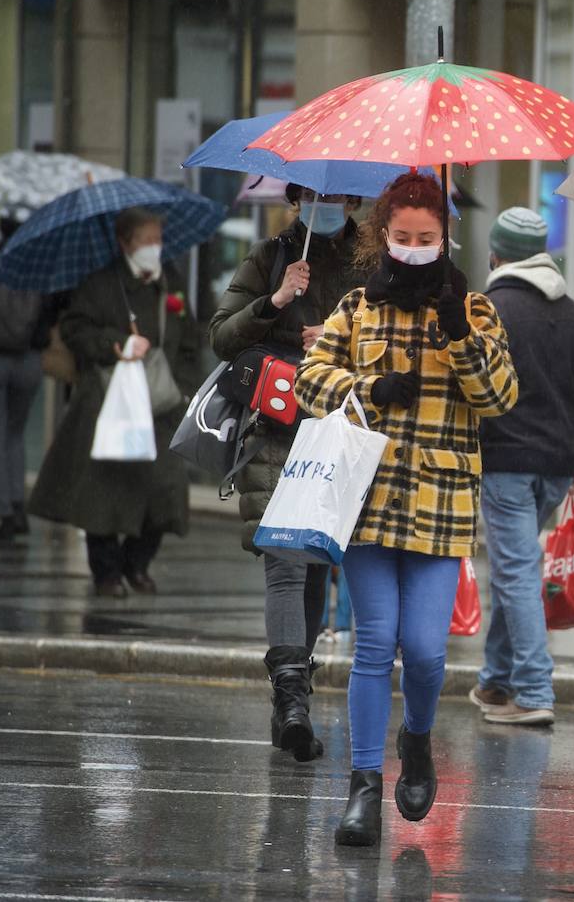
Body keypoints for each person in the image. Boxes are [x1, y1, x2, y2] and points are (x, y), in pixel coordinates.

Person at [292, 173, 518, 847]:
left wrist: (458, 336)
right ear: (382, 235)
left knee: (423, 653)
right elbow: (308, 381)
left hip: (441, 504)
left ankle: (415, 742)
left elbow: (501, 398)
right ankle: (364, 787)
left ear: (445, 237)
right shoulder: (358, 309)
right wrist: (370, 387)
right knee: (374, 646)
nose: (415, 248)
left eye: (428, 238)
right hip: (368, 500)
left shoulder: (473, 310)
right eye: (403, 237)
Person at [209, 185, 364, 762]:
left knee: (318, 572)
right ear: (297, 198)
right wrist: (273, 301)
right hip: (277, 431)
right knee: (286, 567)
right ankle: (294, 701)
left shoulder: (372, 263)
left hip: (341, 436)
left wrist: (338, 342)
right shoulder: (271, 255)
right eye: (317, 195)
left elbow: (393, 347)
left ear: (354, 204)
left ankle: (288, 698)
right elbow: (222, 337)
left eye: (341, 197)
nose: (328, 205)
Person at [467, 207, 574, 726]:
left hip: (505, 461)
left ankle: (532, 689)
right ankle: (495, 682)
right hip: (556, 468)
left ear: (496, 255)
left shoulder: (488, 310)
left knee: (517, 571)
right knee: (519, 569)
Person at [28, 207, 200, 596]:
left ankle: (136, 563)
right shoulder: (101, 283)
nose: (154, 248)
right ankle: (106, 571)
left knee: (165, 490)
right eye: (146, 240)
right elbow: (74, 329)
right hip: (109, 403)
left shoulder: (169, 283)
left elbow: (189, 339)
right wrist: (115, 344)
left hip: (161, 405)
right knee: (102, 493)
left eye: (158, 239)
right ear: (125, 242)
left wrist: (184, 387)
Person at [0, 216, 53, 543]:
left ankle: (4, 512)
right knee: (15, 434)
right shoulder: (40, 267)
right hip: (29, 362)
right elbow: (53, 310)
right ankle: (19, 506)